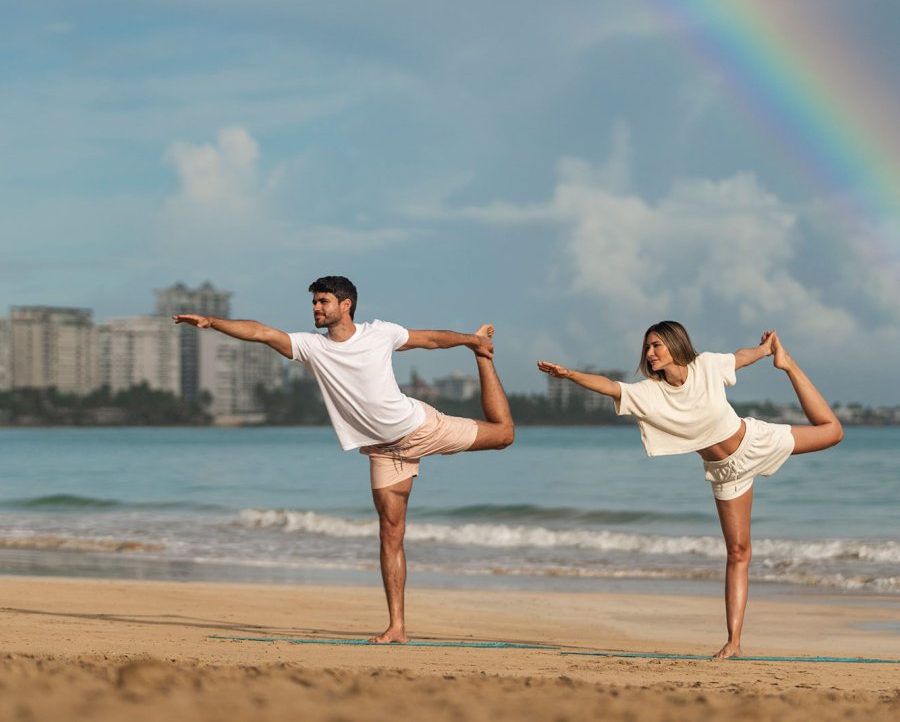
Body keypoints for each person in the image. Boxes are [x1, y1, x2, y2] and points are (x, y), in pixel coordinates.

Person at [174, 275, 515, 643]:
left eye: (322, 302)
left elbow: (430, 339)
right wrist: (213, 322)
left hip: (419, 427)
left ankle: (485, 359)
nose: (316, 309)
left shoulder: (379, 333)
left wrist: (473, 341)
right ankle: (397, 627)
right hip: (384, 452)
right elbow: (261, 332)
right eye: (314, 303)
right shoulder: (310, 347)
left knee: (504, 435)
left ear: (345, 305)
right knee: (390, 534)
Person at [537, 322, 842, 660]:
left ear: (674, 343)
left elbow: (739, 358)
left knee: (832, 432)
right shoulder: (650, 393)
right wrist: (569, 374)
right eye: (647, 348)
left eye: (656, 345)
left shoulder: (706, 366)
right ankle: (734, 643)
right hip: (726, 473)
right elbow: (611, 387)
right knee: (738, 553)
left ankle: (790, 366)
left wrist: (766, 351)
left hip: (754, 442)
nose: (650, 353)